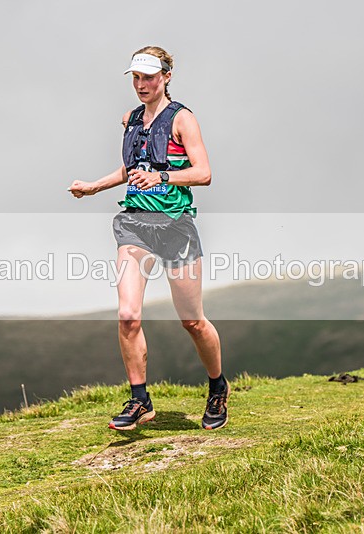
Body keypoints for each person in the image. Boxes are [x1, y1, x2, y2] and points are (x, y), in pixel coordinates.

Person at [68, 46, 229, 430]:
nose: (141, 85)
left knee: (192, 321)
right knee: (128, 316)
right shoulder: (131, 119)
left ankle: (217, 387)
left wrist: (162, 177)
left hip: (175, 226)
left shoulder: (183, 119)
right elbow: (132, 167)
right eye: (136, 78)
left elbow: (204, 173)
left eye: (149, 77)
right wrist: (94, 186)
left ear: (166, 77)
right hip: (135, 224)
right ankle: (140, 399)